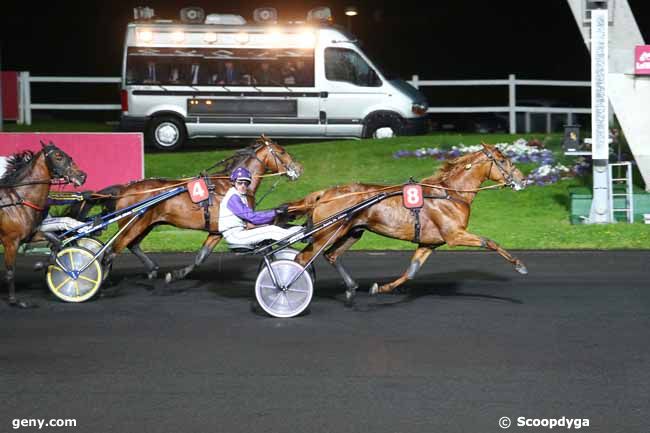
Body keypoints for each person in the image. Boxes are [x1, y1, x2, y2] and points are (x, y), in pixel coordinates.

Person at [219, 167, 301, 247]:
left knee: (272, 227)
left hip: (240, 232)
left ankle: (299, 230)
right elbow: (252, 217)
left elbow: (251, 220)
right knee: (271, 230)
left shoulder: (239, 195)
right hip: (235, 235)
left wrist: (277, 215)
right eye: (240, 183)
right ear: (233, 183)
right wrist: (275, 212)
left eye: (246, 183)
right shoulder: (233, 197)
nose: (243, 186)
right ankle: (299, 235)